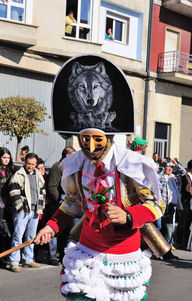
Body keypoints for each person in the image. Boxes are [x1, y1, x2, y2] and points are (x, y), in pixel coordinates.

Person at [35, 54, 165, 301]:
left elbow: (157, 204)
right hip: (86, 250)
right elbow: (72, 203)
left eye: (97, 139)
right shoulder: (73, 165)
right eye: (85, 139)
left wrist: (128, 215)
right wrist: (51, 227)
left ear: (110, 137)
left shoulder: (132, 165)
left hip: (122, 255)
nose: (91, 146)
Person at [9, 153, 46, 272]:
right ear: (25, 163)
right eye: (28, 164)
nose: (30, 166)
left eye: (33, 164)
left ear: (36, 164)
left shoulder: (38, 175)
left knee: (31, 237)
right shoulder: (19, 174)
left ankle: (28, 259)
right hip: (23, 211)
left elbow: (42, 191)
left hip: (35, 210)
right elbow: (13, 191)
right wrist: (20, 207)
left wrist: (40, 207)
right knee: (17, 237)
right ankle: (14, 262)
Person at [0, 147, 15, 269]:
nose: (6, 160)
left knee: (4, 234)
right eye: (4, 157)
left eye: (8, 158)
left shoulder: (11, 170)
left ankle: (1, 258)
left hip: (7, 207)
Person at [158, 159, 185, 248]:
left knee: (169, 231)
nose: (169, 168)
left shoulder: (175, 177)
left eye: (171, 167)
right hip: (161, 205)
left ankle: (167, 249)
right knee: (159, 227)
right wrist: (162, 166)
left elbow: (183, 172)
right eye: (167, 166)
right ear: (164, 167)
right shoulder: (161, 176)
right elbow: (157, 175)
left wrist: (176, 164)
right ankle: (158, 249)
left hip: (171, 206)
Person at [176, 159, 192, 249]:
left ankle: (186, 242)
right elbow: (185, 189)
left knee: (189, 222)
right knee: (183, 221)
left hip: (190, 201)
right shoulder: (185, 176)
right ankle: (179, 241)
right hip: (185, 201)